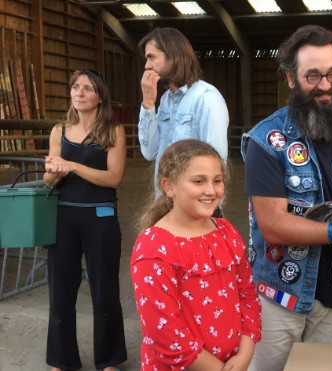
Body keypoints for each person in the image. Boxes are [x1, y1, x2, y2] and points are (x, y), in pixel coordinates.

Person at [241, 25, 332, 371]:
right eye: (312, 76)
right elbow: (273, 225)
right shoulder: (267, 141)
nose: (325, 86)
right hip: (279, 296)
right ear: (291, 79)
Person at [131, 139, 261, 370]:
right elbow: (164, 333)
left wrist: (246, 351)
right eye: (198, 181)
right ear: (169, 186)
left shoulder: (225, 232)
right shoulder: (154, 249)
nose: (211, 190)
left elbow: (248, 295)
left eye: (217, 181)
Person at [43, 69, 127, 371]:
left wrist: (73, 166)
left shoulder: (113, 131)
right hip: (64, 216)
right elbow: (49, 180)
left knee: (104, 290)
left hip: (100, 216)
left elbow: (114, 178)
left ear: (99, 96)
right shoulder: (59, 130)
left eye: (87, 88)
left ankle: (110, 359)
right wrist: (53, 171)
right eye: (75, 87)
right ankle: (61, 359)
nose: (79, 93)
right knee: (61, 289)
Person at [137, 27, 229, 203]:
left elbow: (216, 161)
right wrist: (148, 104)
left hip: (195, 207)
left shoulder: (206, 97)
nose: (147, 65)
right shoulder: (165, 100)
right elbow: (149, 152)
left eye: (152, 57)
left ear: (173, 56)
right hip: (165, 203)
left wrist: (210, 209)